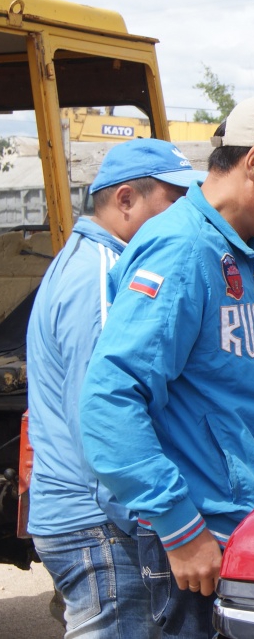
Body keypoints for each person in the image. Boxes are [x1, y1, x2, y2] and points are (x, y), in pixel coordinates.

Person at [77, 94, 254, 637]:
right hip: (202, 548)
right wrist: (179, 526)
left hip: (241, 532)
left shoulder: (237, 252)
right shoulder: (181, 251)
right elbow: (109, 399)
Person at [26, 138, 203, 639]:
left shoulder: (85, 261)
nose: (183, 218)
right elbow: (102, 410)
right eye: (172, 203)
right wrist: (158, 527)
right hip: (101, 523)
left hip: (88, 517)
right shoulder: (102, 274)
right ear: (125, 199)